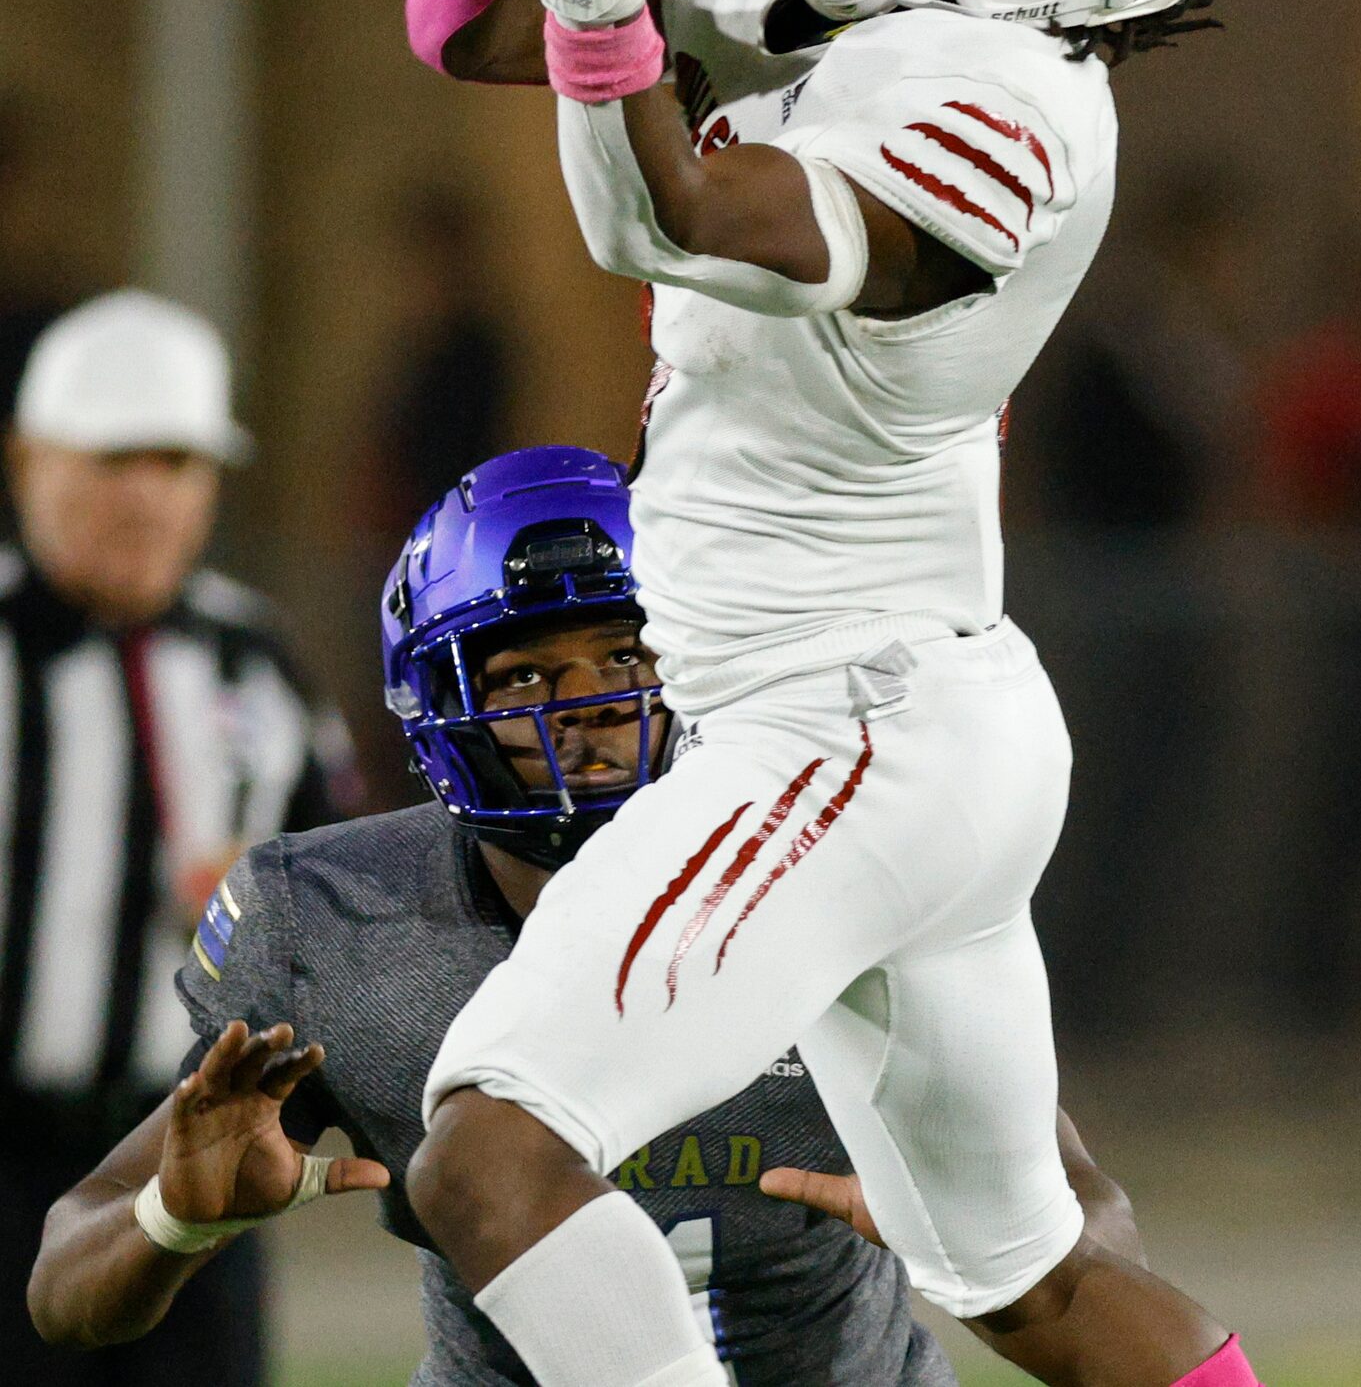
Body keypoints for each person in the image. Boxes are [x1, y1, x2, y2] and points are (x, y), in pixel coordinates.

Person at [402, 0, 1274, 1387]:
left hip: (840, 721)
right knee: (1029, 1279)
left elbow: (674, 222)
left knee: (493, 1151)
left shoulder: (1012, 103)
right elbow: (459, 39)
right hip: (891, 710)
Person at [28, 446, 1141, 1385]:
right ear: (436, 702)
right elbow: (64, 1289)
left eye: (626, 656)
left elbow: (1087, 1219)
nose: (592, 711)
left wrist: (962, 1232)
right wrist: (175, 1222)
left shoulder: (844, 859)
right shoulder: (334, 928)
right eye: (525, 680)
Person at [2, 289, 355, 1386]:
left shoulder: (258, 660)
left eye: (178, 464)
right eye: (115, 461)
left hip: (180, 1162)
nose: (148, 497)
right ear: (28, 462)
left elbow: (341, 895)